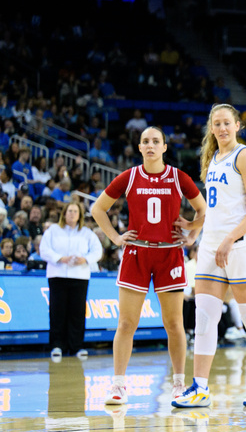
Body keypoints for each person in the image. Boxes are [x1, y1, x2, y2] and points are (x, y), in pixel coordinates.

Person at [171, 104, 246, 410]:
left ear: (237, 126)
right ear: (211, 127)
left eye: (227, 123)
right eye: (216, 123)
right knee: (204, 318)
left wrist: (229, 239)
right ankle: (200, 388)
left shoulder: (244, 156)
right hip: (211, 245)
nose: (222, 128)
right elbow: (216, 209)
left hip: (242, 245)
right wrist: (194, 226)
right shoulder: (212, 158)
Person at [90, 127, 207, 404]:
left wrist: (192, 232)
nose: (151, 145)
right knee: (127, 323)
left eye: (156, 141)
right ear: (140, 148)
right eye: (146, 142)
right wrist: (116, 237)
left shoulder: (178, 177)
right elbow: (97, 209)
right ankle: (118, 386)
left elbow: (204, 210)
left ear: (165, 147)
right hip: (137, 254)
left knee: (174, 323)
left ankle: (179, 384)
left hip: (169, 254)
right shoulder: (129, 176)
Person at [39, 201, 103, 359]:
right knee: (57, 311)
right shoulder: (53, 230)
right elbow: (44, 250)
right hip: (57, 275)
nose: (72, 214)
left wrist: (85, 259)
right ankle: (57, 345)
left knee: (77, 312)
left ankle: (77, 346)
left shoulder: (87, 233)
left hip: (79, 277)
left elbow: (98, 251)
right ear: (64, 213)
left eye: (75, 211)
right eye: (69, 211)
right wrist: (60, 258)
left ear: (80, 215)